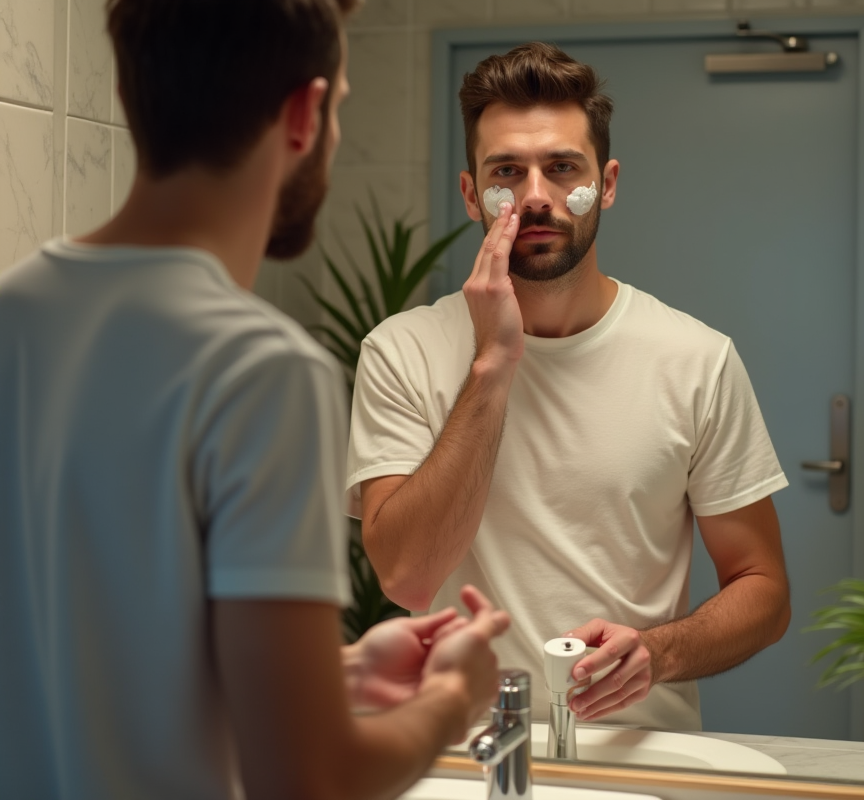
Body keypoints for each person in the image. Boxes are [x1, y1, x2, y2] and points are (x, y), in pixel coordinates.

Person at [0, 2, 509, 798]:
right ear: (304, 115)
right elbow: (311, 779)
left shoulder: (16, 313)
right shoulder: (259, 369)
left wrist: (332, 672)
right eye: (339, 106)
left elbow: (87, 644)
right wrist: (453, 700)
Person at [345, 42, 791, 731]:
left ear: (606, 184)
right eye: (506, 172)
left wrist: (658, 652)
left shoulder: (697, 360)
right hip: (458, 753)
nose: (534, 197)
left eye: (561, 169)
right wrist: (493, 362)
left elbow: (764, 591)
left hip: (641, 757)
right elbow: (407, 575)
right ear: (471, 195)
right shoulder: (401, 352)